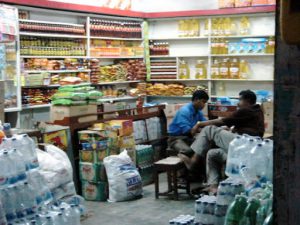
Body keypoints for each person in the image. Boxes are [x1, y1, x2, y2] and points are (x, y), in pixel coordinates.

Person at [179, 90, 265, 194]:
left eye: (240, 100)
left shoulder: (247, 110)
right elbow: (239, 125)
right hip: (245, 149)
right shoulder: (257, 110)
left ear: (247, 101)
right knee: (212, 154)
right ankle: (213, 186)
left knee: (209, 129)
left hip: (242, 145)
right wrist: (230, 129)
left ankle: (193, 162)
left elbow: (222, 121)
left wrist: (199, 124)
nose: (238, 103)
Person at [168, 90, 209, 157]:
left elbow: (205, 124)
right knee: (189, 151)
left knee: (205, 147)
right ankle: (187, 163)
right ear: (196, 99)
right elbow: (189, 132)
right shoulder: (184, 111)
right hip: (176, 138)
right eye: (203, 102)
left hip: (188, 138)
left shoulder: (198, 112)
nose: (204, 105)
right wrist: (199, 126)